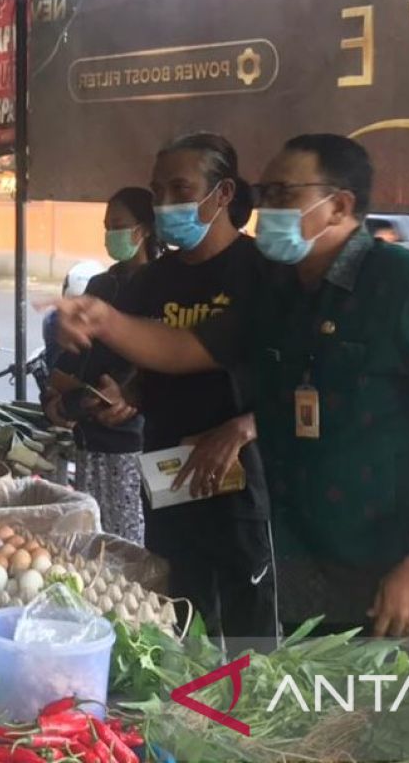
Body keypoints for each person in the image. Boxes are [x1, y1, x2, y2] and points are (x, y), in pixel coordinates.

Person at [53, 134, 409, 637]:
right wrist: (103, 320)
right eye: (265, 194)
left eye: (285, 195)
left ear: (339, 206)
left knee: (406, 709)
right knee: (312, 710)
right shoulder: (278, 294)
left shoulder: (408, 285)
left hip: (406, 571)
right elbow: (184, 349)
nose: (266, 209)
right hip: (313, 568)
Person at [124, 135, 277, 641]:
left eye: (180, 188)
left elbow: (306, 380)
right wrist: (118, 398)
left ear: (224, 193)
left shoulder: (264, 276)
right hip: (168, 478)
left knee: (248, 630)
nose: (165, 202)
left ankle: (249, 719)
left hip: (242, 488)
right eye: (157, 189)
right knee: (179, 620)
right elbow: (139, 373)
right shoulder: (152, 281)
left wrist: (245, 427)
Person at [44, 187, 159, 546]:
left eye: (119, 225)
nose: (111, 234)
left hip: (133, 442)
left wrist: (128, 394)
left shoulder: (162, 285)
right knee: (96, 541)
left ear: (143, 230)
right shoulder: (100, 283)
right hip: (88, 436)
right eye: (107, 226)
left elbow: (162, 357)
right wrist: (55, 396)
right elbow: (70, 359)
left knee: (131, 545)